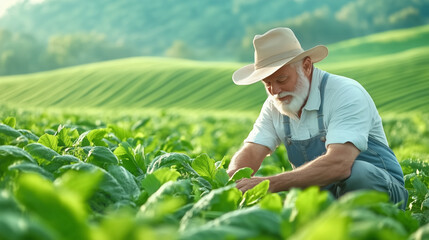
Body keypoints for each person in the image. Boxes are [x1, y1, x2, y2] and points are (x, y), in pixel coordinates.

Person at [227, 27, 408, 209]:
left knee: (359, 173)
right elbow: (251, 151)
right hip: (324, 197)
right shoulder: (275, 104)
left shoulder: (345, 93)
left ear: (306, 66)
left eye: (281, 79)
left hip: (382, 192)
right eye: (267, 84)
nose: (275, 91)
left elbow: (340, 164)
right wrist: (230, 183)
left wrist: (268, 184)